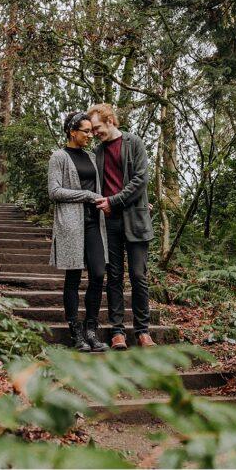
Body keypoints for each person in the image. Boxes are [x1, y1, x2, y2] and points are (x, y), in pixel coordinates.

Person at [88, 103, 156, 349]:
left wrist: (114, 201)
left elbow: (141, 179)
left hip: (135, 219)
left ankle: (143, 331)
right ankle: (118, 331)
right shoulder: (98, 152)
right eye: (93, 129)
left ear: (110, 121)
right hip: (110, 222)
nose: (95, 133)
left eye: (97, 127)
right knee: (114, 276)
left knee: (138, 275)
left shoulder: (134, 143)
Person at [47, 111, 109, 352]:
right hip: (71, 224)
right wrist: (86, 195)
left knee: (97, 273)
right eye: (85, 131)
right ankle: (76, 333)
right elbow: (54, 191)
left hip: (94, 222)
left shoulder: (92, 157)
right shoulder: (58, 157)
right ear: (72, 132)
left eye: (91, 131)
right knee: (73, 277)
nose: (90, 136)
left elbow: (105, 185)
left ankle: (91, 330)